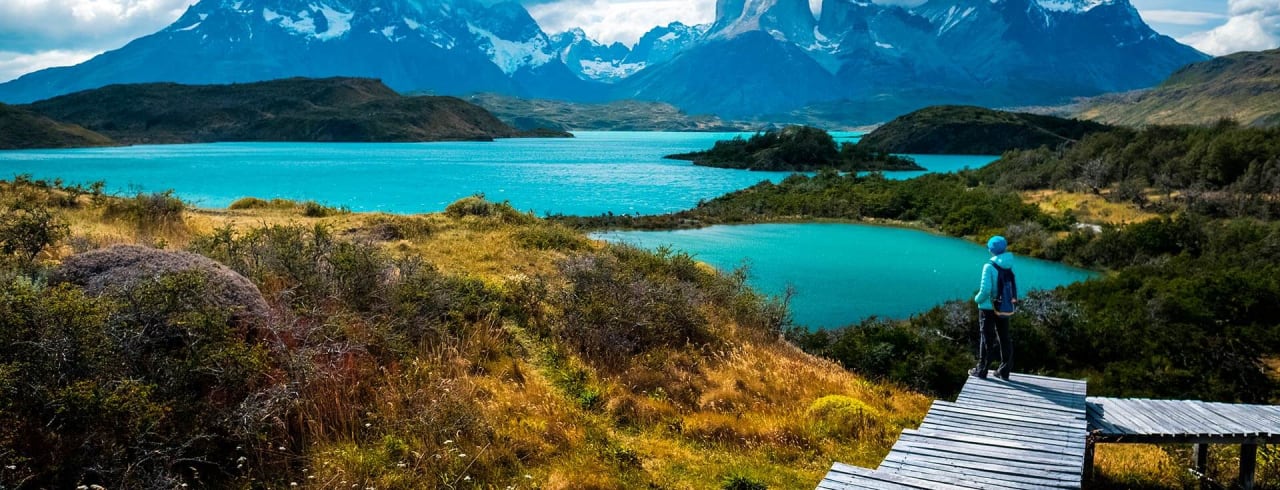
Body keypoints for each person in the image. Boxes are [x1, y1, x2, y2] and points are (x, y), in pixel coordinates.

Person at [969, 235, 1014, 380]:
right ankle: (1004, 370)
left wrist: (977, 299)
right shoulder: (1009, 264)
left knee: (986, 338)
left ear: (991, 250)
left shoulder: (988, 266)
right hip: (1004, 306)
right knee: (1004, 336)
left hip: (988, 307)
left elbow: (985, 290)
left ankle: (982, 370)